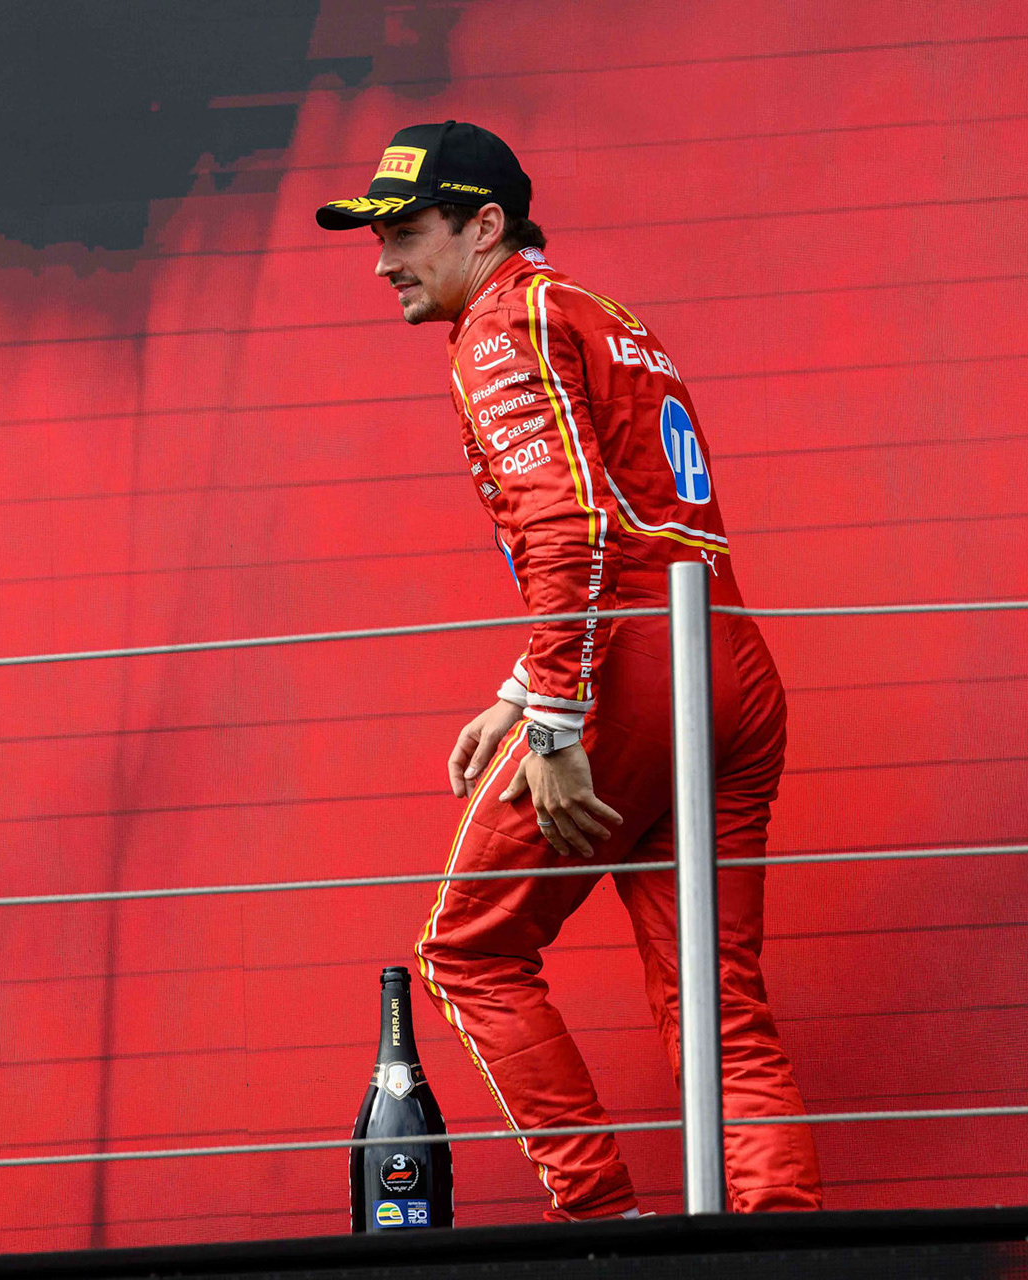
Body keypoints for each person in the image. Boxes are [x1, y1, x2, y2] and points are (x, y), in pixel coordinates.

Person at [317, 121, 823, 1220]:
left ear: (484, 225)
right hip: (728, 655)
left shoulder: (501, 326)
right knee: (720, 1007)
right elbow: (631, 520)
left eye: (405, 231)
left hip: (636, 668)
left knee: (467, 952)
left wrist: (552, 719)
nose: (382, 257)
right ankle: (788, 1239)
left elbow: (572, 529)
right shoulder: (603, 314)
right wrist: (519, 685)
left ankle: (602, 1224)